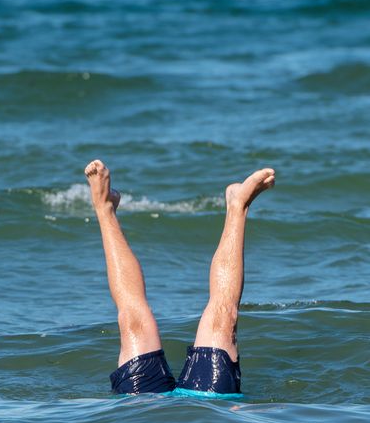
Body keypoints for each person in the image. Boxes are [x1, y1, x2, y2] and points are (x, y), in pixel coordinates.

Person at [84, 160, 275, 396]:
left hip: (144, 408)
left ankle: (104, 208)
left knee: (133, 321)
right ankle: (239, 206)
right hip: (207, 405)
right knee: (224, 318)